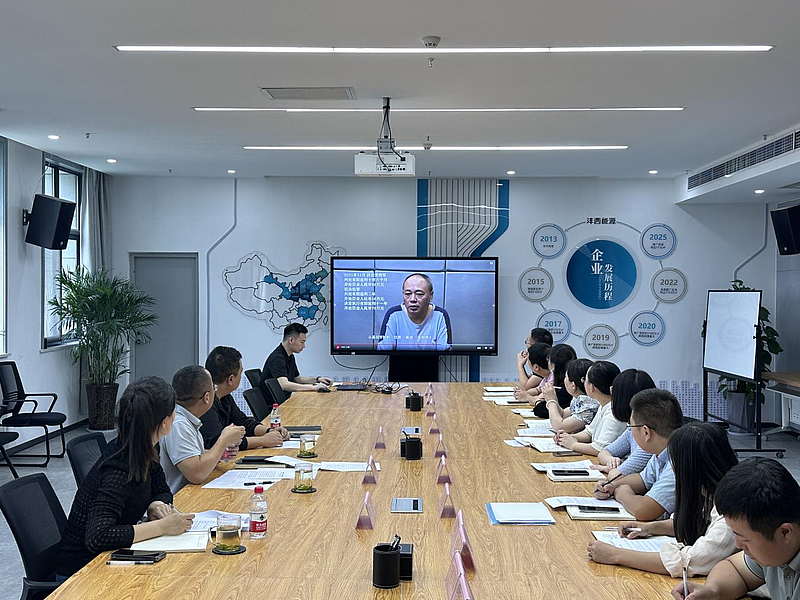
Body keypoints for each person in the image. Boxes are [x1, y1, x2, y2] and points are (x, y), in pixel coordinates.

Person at [56, 377, 195, 579]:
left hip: (109, 559)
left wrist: (155, 505)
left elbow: (162, 490)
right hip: (82, 573)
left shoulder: (142, 446)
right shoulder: (120, 471)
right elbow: (98, 536)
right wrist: (161, 527)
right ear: (165, 422)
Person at [587, 422, 740, 579]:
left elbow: (687, 562)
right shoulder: (708, 491)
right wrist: (649, 528)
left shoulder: (730, 513)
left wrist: (615, 555)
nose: (673, 469)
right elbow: (692, 522)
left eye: (675, 463)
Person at [672, 458, 800, 600]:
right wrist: (712, 591)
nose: (737, 544)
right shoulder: (775, 549)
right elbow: (735, 569)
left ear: (785, 533)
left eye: (744, 539)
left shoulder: (772, 548)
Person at [593, 388, 684, 521]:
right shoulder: (661, 451)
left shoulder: (679, 460)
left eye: (631, 426)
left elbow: (643, 510)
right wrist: (611, 486)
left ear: (646, 432)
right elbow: (642, 480)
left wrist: (622, 493)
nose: (630, 431)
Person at [160, 365, 246, 493]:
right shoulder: (179, 425)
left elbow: (193, 456)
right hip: (181, 498)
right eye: (214, 388)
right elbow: (196, 474)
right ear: (207, 397)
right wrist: (224, 440)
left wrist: (219, 453)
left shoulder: (186, 418)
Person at [201, 346, 289, 450]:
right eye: (240, 373)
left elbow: (242, 422)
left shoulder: (224, 396)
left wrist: (269, 431)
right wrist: (262, 440)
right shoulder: (206, 404)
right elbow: (217, 442)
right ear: (230, 379)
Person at [592, 370, 658, 479]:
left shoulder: (649, 435)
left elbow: (616, 476)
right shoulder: (632, 428)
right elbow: (604, 452)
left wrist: (615, 469)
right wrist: (611, 461)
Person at [553, 361, 621, 456]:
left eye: (585, 379)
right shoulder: (604, 404)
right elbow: (589, 433)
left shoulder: (613, 413)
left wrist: (573, 445)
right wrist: (567, 437)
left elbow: (600, 449)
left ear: (592, 387)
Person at [376, 273, 451, 351]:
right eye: (407, 294)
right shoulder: (394, 314)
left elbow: (444, 351)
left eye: (419, 294)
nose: (412, 299)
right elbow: (383, 350)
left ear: (431, 295)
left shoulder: (440, 315)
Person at [261, 323, 332, 402]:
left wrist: (318, 379)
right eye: (302, 342)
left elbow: (297, 379)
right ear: (291, 340)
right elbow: (284, 384)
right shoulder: (277, 358)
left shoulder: (289, 356)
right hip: (276, 405)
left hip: (285, 401)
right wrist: (313, 387)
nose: (304, 346)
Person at [543, 357, 597, 433]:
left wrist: (551, 401)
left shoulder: (589, 403)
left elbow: (560, 427)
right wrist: (553, 398)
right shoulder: (579, 398)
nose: (564, 380)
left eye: (566, 377)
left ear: (573, 385)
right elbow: (563, 414)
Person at [532, 343, 577, 418]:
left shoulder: (567, 386)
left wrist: (538, 401)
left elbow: (543, 411)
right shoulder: (565, 381)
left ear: (553, 365)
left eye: (548, 360)